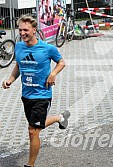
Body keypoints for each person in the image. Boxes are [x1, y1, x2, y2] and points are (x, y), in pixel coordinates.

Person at [2, 14, 70, 167]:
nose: (22, 33)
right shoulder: (18, 46)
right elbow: (19, 65)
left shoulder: (47, 48)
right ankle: (60, 118)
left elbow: (61, 62)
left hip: (42, 95)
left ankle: (30, 165)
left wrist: (53, 74)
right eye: (20, 30)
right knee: (37, 125)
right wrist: (10, 80)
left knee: (33, 131)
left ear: (34, 30)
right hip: (26, 95)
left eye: (25, 30)